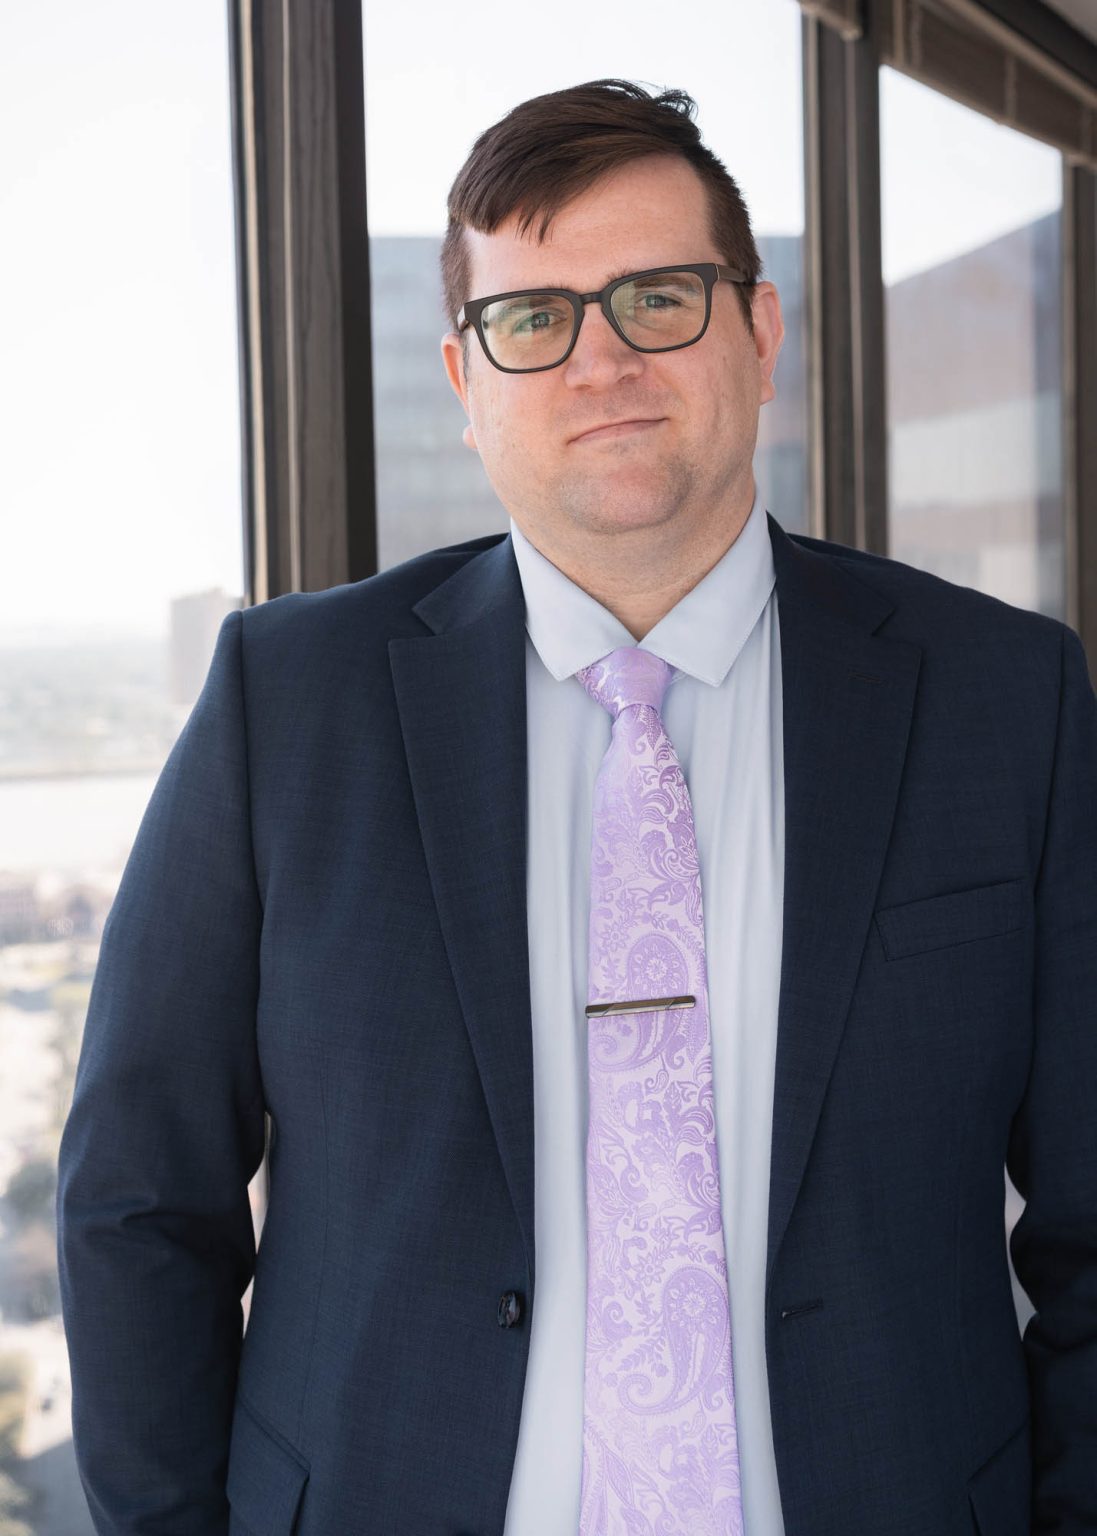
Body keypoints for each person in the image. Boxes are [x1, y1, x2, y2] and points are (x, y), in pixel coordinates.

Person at [56, 77, 1096, 1536]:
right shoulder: (285, 706)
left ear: (762, 331)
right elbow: (137, 1204)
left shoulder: (1009, 702)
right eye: (533, 319)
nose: (600, 360)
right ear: (468, 385)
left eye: (656, 297)